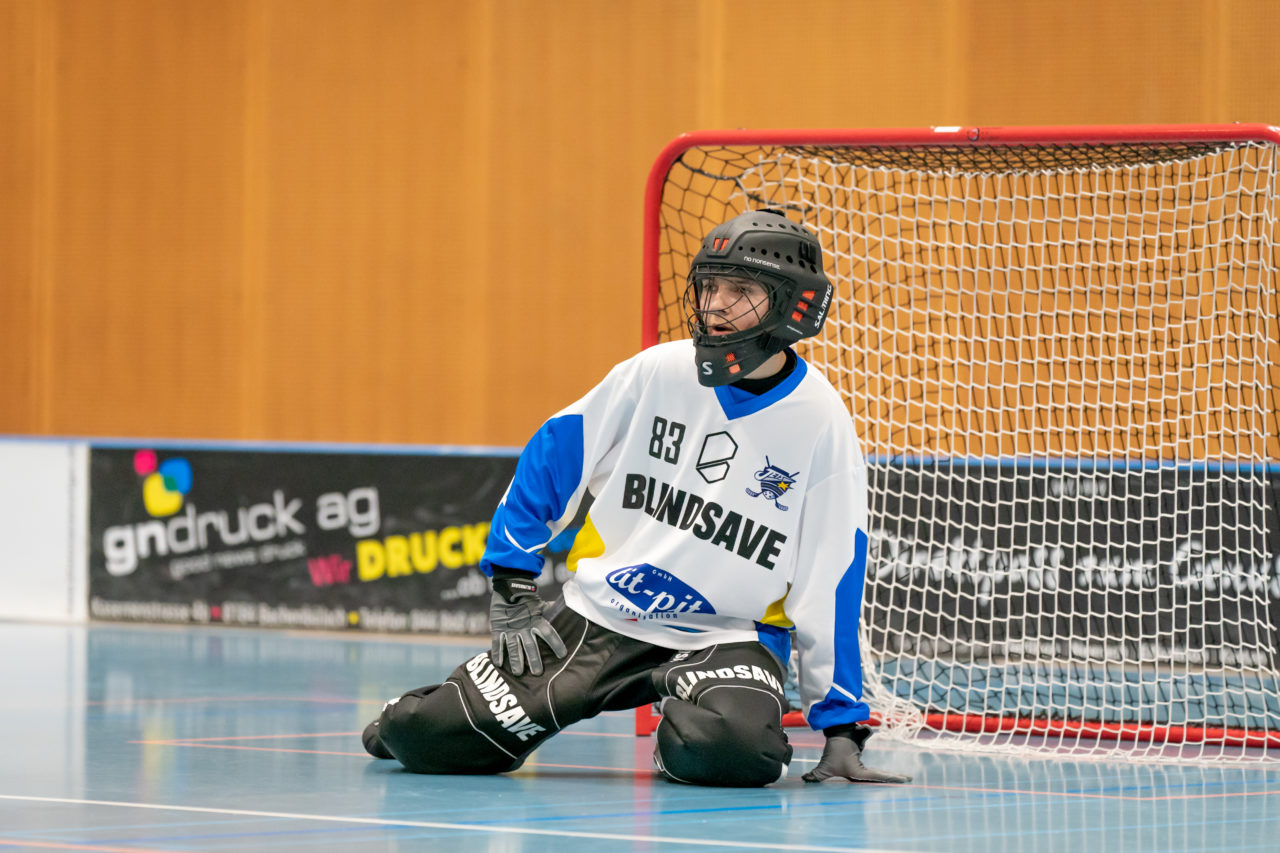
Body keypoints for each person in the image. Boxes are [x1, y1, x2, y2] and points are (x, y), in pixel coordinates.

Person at [362, 209, 911, 787]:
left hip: (729, 637)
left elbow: (833, 575)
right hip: (598, 619)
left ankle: (681, 736)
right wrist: (512, 577)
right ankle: (409, 718)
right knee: (429, 739)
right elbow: (556, 452)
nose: (716, 304)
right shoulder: (656, 371)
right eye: (710, 287)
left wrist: (842, 730)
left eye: (741, 290)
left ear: (793, 306)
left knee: (735, 753)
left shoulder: (821, 420)